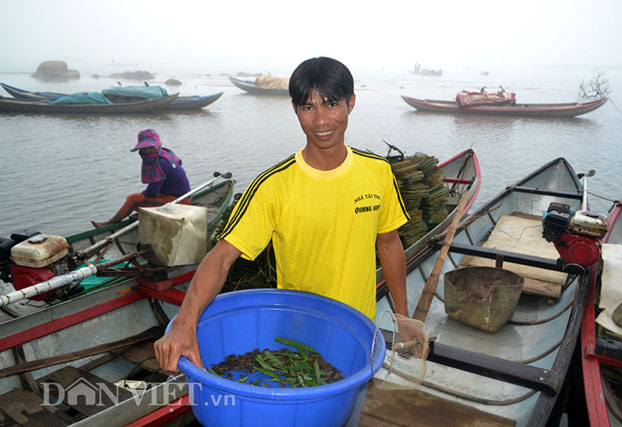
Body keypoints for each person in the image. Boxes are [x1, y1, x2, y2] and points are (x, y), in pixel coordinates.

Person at [154, 57, 413, 423]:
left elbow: (389, 244)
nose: (321, 120)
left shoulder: (378, 173)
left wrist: (404, 320)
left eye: (331, 103)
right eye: (308, 106)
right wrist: (185, 321)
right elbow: (222, 257)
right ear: (295, 110)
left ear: (351, 103)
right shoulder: (274, 186)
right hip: (296, 334)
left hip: (355, 334)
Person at [91, 129, 191, 228]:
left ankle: (107, 224)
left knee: (133, 199)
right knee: (137, 198)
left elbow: (152, 191)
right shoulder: (165, 154)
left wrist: (142, 195)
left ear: (156, 146)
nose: (147, 151)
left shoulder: (161, 163)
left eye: (150, 148)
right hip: (177, 197)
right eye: (144, 149)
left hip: (179, 202)